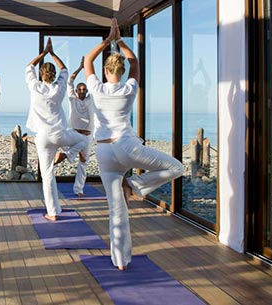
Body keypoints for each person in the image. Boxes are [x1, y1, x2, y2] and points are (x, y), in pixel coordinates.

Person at [83, 18, 183, 271]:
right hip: (126, 146)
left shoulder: (95, 88)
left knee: (117, 210)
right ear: (121, 71)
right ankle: (136, 184)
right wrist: (120, 42)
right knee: (176, 168)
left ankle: (120, 262)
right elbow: (135, 62)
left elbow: (87, 61)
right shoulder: (129, 88)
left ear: (106, 71)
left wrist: (107, 40)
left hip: (104, 151)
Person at [26, 38, 87, 221]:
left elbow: (29, 66)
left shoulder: (34, 87)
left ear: (41, 74)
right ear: (53, 75)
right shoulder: (59, 88)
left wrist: (44, 53)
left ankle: (52, 213)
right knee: (83, 140)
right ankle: (68, 156)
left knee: (47, 176)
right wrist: (53, 53)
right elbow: (64, 70)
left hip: (42, 137)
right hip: (59, 135)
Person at [54, 56, 94, 197]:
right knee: (65, 150)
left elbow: (94, 85)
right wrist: (80, 68)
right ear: (76, 91)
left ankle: (79, 189)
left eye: (84, 89)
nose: (82, 91)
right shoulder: (72, 99)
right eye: (80, 89)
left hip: (87, 136)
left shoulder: (91, 100)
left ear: (87, 91)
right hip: (73, 134)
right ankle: (59, 159)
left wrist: (88, 70)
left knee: (84, 162)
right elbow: (70, 81)